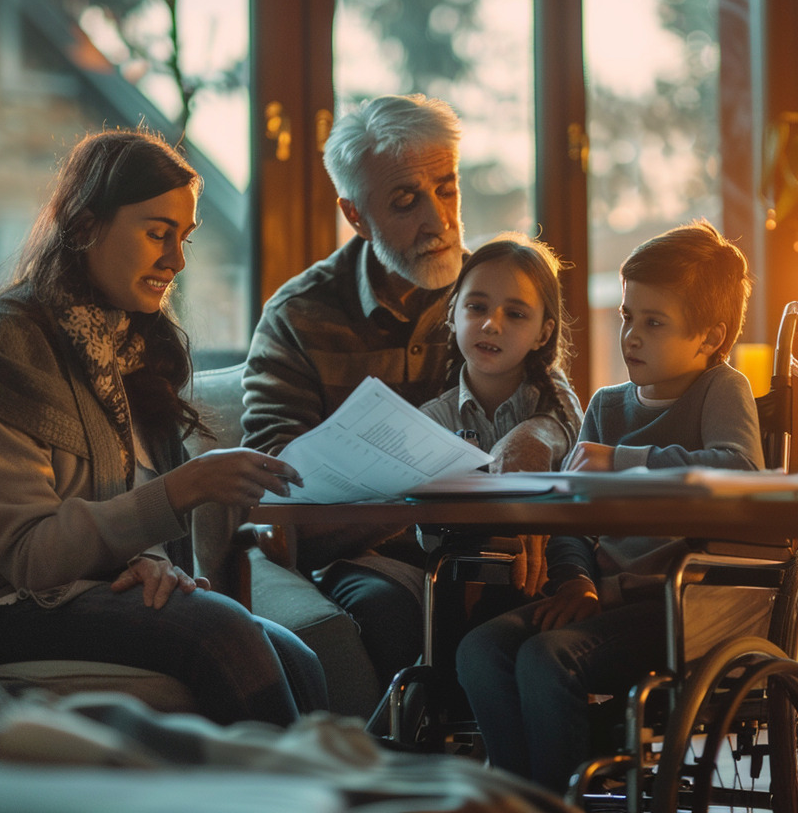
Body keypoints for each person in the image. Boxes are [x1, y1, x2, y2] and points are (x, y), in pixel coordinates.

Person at [0, 127, 328, 727]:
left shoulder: (126, 347)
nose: (177, 260)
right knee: (224, 633)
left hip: (85, 589)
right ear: (83, 227)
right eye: (158, 233)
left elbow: (117, 519)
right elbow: (30, 557)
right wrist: (184, 488)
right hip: (2, 607)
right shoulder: (0, 350)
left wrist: (149, 560)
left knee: (299, 656)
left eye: (184, 238)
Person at [241, 93, 580, 695]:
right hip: (375, 560)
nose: (439, 220)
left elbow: (558, 397)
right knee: (392, 616)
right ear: (355, 215)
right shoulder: (300, 316)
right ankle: (415, 780)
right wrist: (404, 500)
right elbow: (274, 490)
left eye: (446, 189)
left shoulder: (493, 290)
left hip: (495, 550)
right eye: (405, 201)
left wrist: (541, 431)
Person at [454, 219, 765, 793]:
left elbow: (740, 468)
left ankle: (558, 799)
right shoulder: (606, 405)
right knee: (481, 650)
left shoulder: (721, 389)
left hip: (685, 608)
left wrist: (623, 459)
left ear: (709, 338)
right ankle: (520, 797)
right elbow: (575, 515)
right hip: (608, 599)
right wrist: (576, 582)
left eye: (653, 322)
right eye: (627, 317)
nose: (631, 336)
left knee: (548, 660)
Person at [419, 231, 582, 593]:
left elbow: (569, 427)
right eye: (476, 307)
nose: (492, 324)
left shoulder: (556, 404)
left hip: (554, 585)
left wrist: (534, 436)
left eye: (516, 313)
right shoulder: (431, 421)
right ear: (452, 314)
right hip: (456, 587)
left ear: (543, 334)